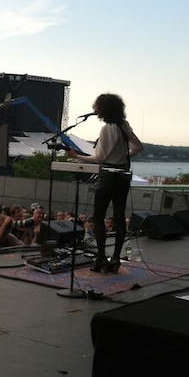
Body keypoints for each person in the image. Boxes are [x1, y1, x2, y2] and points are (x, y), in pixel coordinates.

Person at [68, 93, 143, 273]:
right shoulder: (124, 126)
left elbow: (100, 158)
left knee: (99, 218)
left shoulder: (107, 129)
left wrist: (76, 156)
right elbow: (139, 147)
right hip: (123, 176)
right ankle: (116, 258)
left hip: (108, 176)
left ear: (102, 109)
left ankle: (101, 258)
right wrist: (125, 156)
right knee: (118, 216)